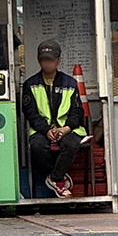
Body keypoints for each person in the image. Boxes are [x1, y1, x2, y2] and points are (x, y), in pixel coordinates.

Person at [22, 40, 87, 198]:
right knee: (37, 146)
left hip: (67, 128)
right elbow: (30, 113)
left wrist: (66, 128)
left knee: (71, 144)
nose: (47, 63)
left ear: (59, 60)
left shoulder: (70, 83)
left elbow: (77, 111)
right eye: (44, 60)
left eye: (50, 59)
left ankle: (55, 178)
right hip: (40, 130)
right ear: (39, 61)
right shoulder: (30, 84)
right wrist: (46, 130)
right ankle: (59, 179)